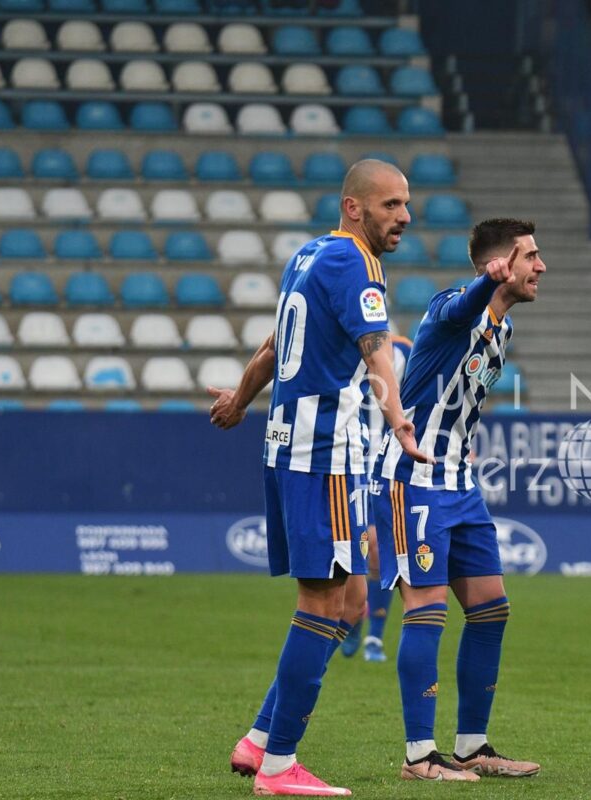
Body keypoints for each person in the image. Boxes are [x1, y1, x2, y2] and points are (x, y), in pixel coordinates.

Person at [209, 159, 430, 796]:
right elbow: (376, 349)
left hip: (294, 445)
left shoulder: (308, 254)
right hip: (323, 452)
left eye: (406, 205)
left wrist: (241, 400)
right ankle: (280, 768)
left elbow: (277, 347)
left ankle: (258, 739)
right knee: (322, 602)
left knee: (354, 603)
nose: (404, 217)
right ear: (354, 207)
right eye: (391, 205)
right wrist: (397, 420)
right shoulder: (358, 265)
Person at [372, 218, 545, 781]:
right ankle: (419, 756)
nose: (541, 267)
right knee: (426, 611)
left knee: (492, 608)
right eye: (531, 257)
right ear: (501, 265)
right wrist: (483, 285)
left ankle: (472, 747)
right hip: (412, 476)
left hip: (459, 483)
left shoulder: (504, 330)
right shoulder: (451, 307)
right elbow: (457, 311)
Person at [340, 332, 413, 663]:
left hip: (388, 462)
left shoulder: (406, 350)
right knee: (354, 548)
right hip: (349, 458)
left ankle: (374, 638)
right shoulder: (343, 345)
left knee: (378, 548)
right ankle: (353, 614)